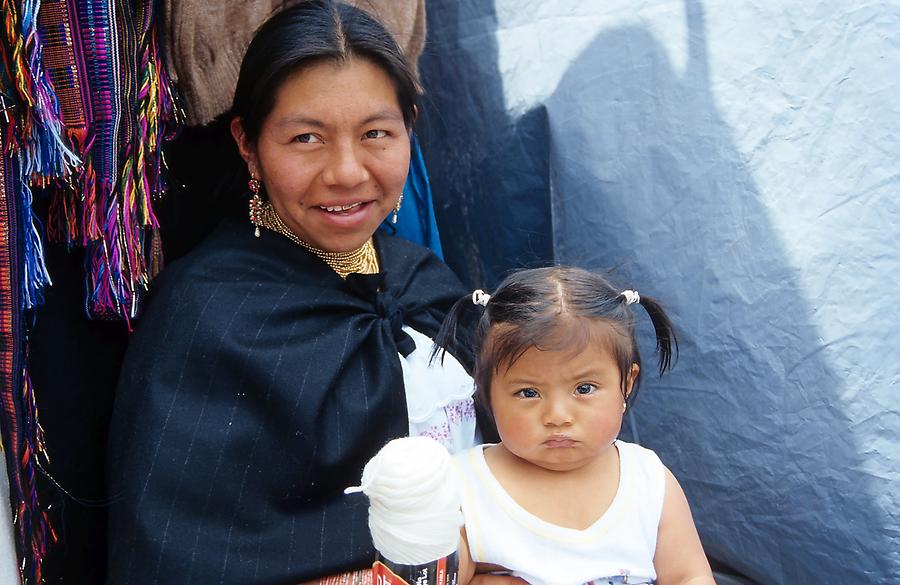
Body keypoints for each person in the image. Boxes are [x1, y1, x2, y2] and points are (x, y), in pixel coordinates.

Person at [105, 2, 484, 583]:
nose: (347, 171)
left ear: (410, 125)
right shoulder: (206, 320)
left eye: (376, 133)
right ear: (248, 145)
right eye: (307, 138)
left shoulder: (424, 281)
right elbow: (179, 558)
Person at [433, 267, 717, 585]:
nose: (557, 415)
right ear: (486, 393)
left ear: (626, 383)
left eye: (584, 389)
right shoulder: (462, 487)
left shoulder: (648, 480)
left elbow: (688, 576)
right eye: (528, 393)